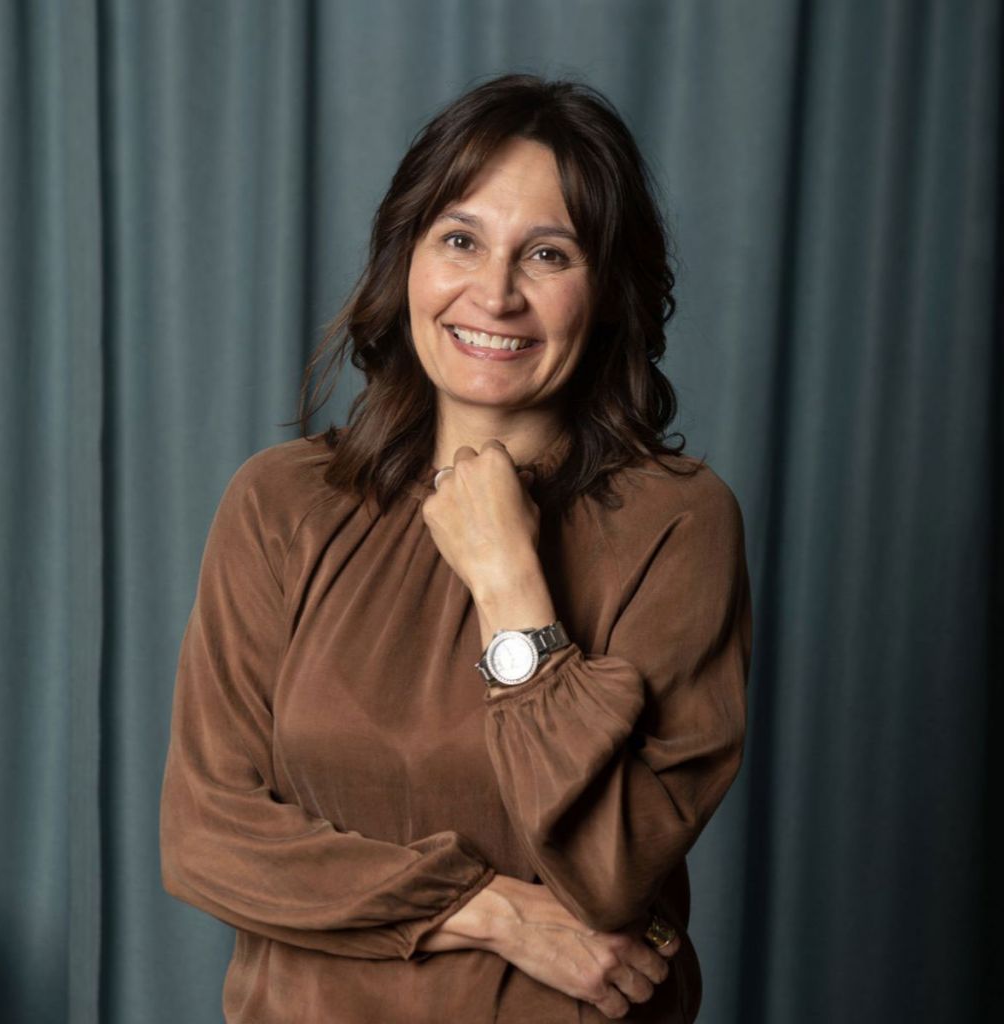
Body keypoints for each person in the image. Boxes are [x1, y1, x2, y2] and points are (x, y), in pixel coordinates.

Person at [159, 73, 752, 1023]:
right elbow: (206, 835)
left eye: (549, 253)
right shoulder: (281, 503)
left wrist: (510, 581)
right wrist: (494, 914)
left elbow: (608, 872)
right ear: (407, 260)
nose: (496, 293)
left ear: (605, 294)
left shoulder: (676, 525)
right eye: (461, 239)